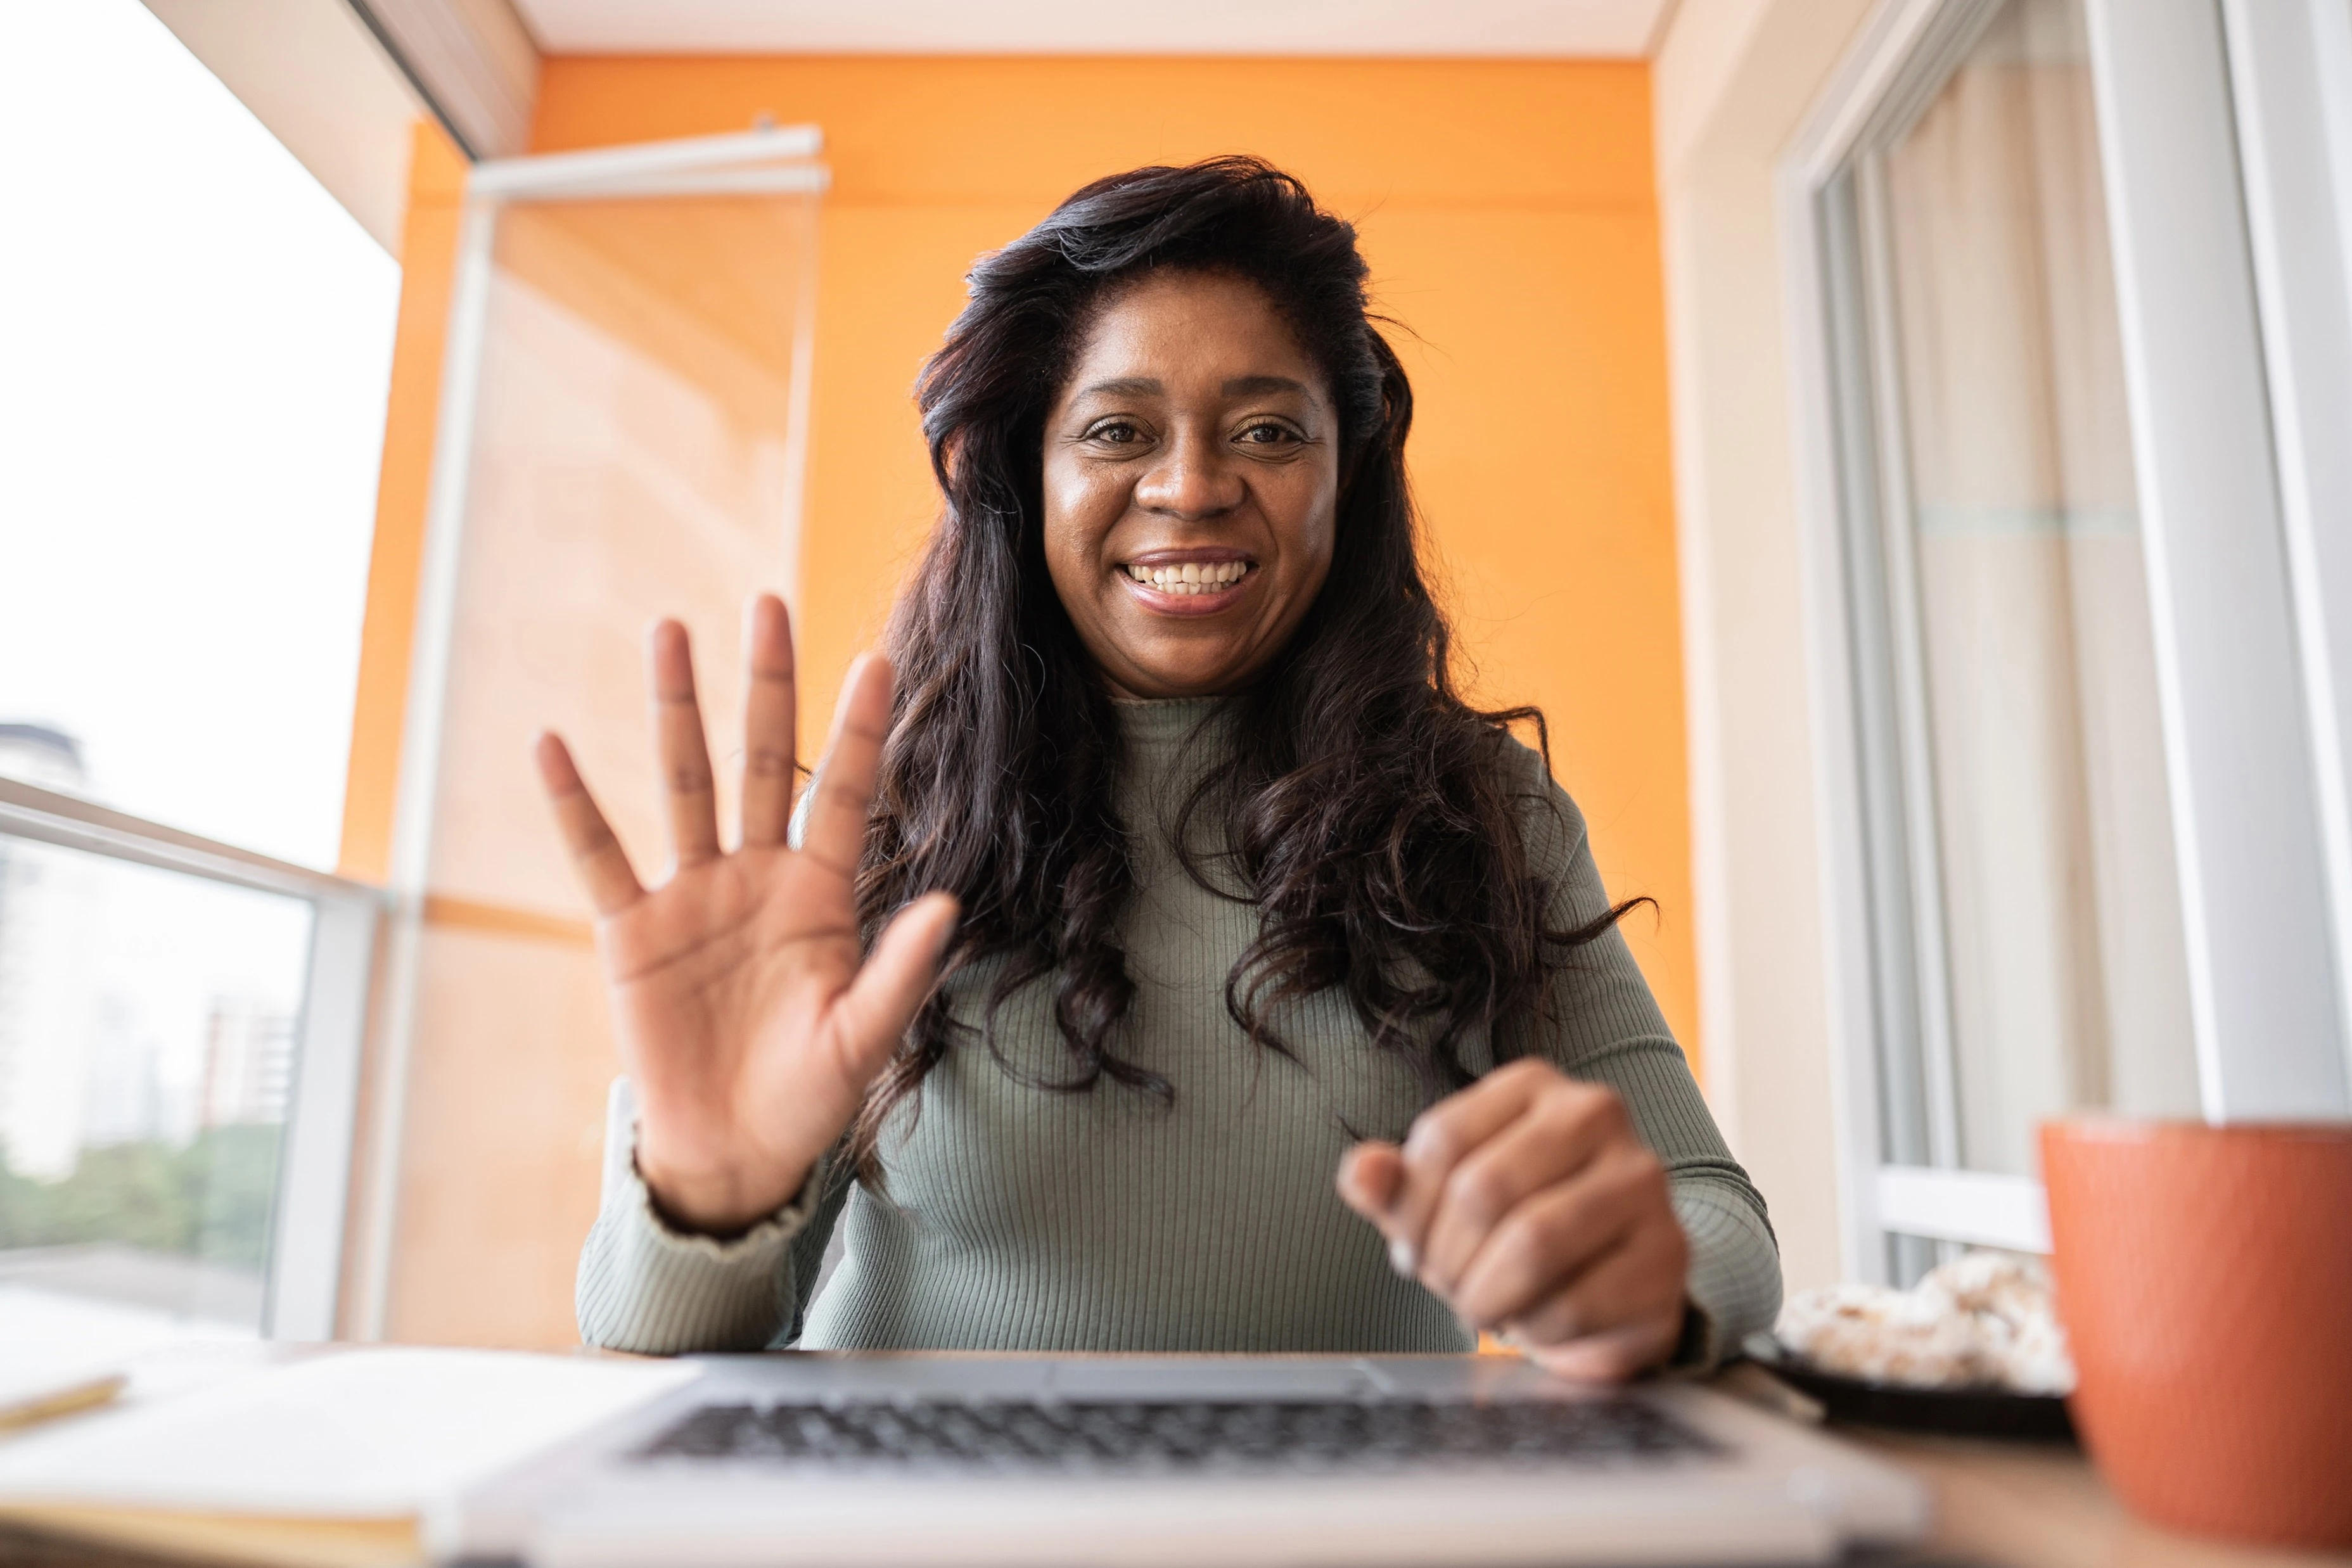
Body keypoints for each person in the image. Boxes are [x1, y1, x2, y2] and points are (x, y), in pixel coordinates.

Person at [549, 157, 1779, 1379]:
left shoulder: (1481, 811)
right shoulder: (875, 827)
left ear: (1343, 477)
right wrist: (700, 1202)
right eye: (1116, 430)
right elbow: (658, 1343)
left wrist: (1645, 1275)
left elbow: (1715, 1223)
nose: (1190, 487)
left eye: (1265, 430)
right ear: (1026, 480)